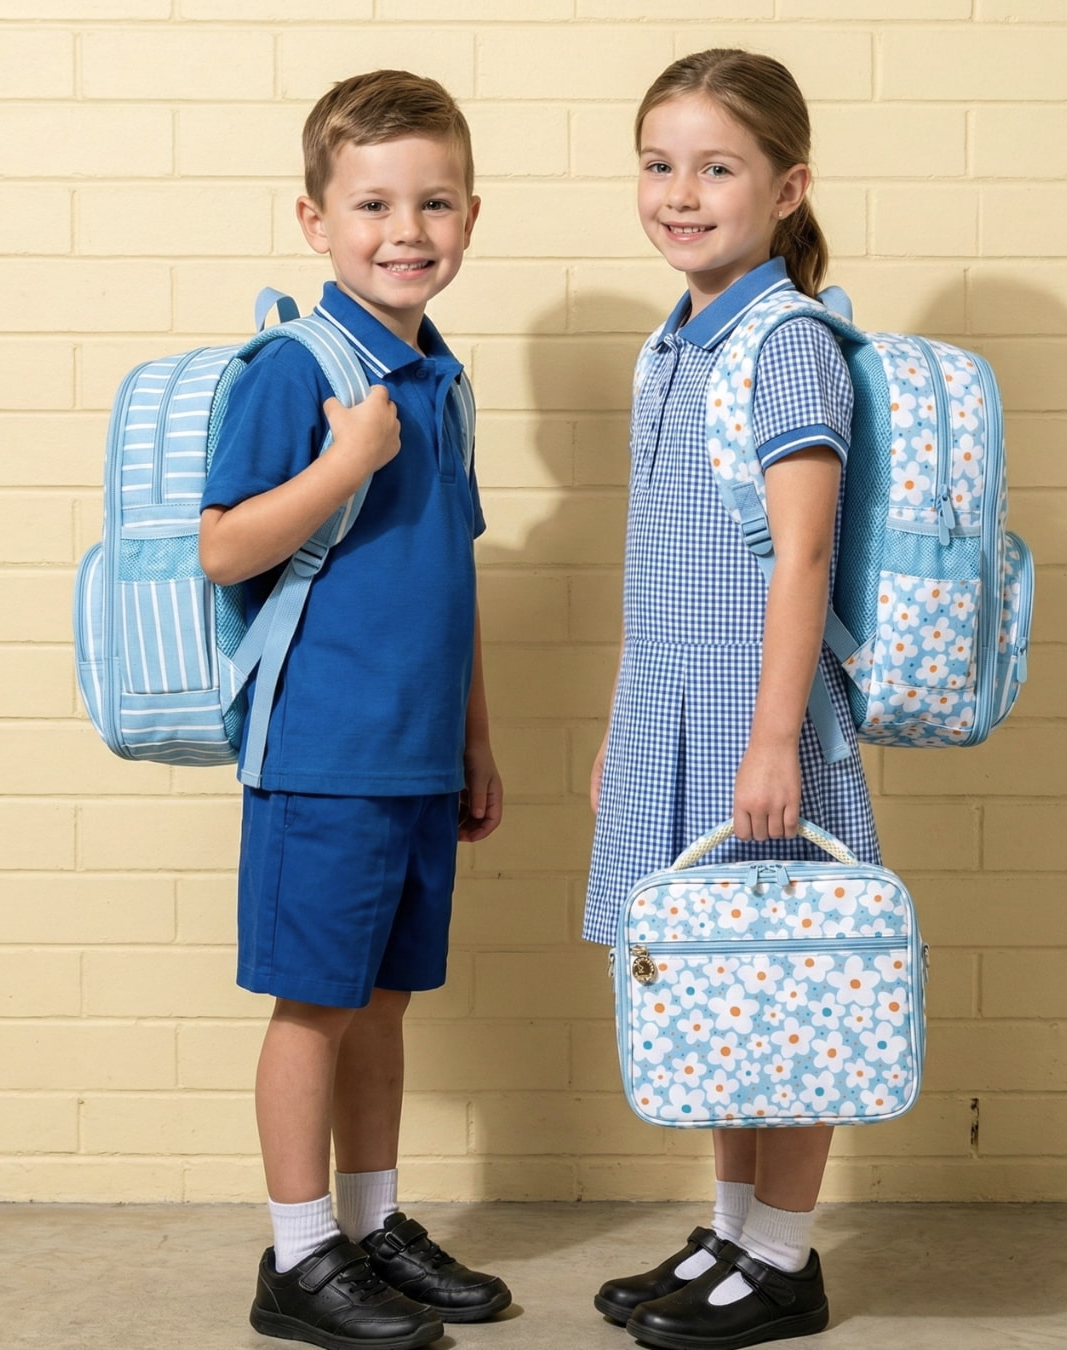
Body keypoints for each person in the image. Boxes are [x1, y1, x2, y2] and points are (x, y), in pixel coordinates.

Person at [199, 70, 509, 1350]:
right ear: (313, 219)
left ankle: (371, 1225)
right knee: (314, 1005)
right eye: (373, 202)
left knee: (382, 1004)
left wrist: (475, 739)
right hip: (320, 754)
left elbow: (454, 575)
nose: (407, 230)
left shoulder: (443, 379)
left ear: (472, 216)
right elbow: (224, 550)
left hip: (416, 757)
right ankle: (297, 1253)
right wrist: (341, 462)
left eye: (435, 202)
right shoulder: (295, 368)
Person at [585, 49, 881, 1350]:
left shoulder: (790, 342)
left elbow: (801, 553)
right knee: (716, 981)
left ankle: (785, 1255)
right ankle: (730, 1228)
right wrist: (618, 724)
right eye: (661, 164)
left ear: (786, 187)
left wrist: (773, 742)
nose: (681, 193)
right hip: (676, 705)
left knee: (792, 984)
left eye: (717, 167)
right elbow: (660, 559)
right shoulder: (675, 343)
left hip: (760, 718)